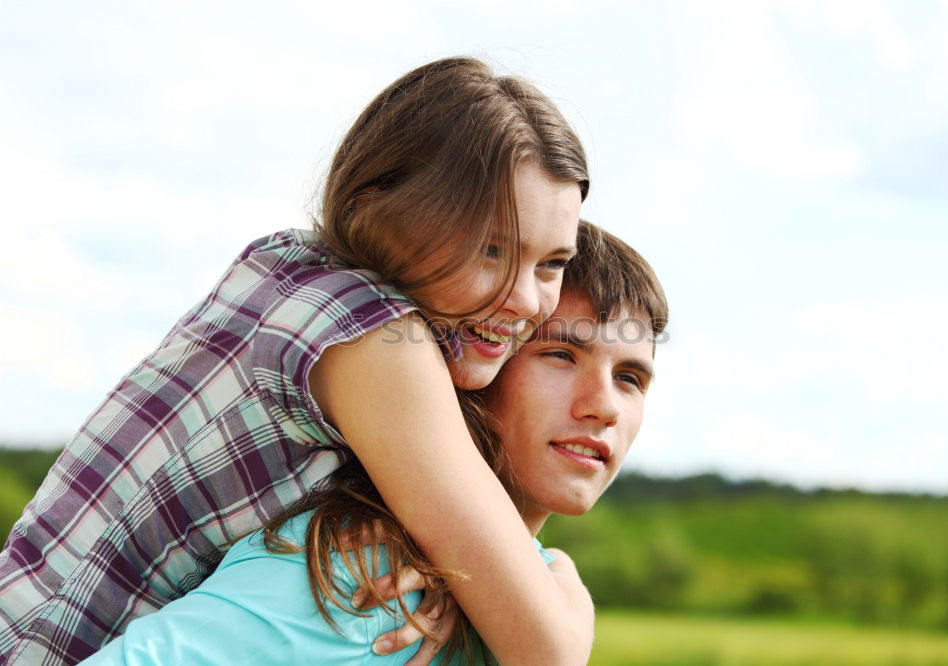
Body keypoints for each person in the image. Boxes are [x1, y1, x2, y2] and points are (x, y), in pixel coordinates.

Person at [0, 57, 591, 665]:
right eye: (489, 250)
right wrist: (560, 573)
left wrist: (447, 564)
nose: (524, 301)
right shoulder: (376, 340)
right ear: (376, 206)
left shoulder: (284, 264)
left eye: (550, 264)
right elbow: (549, 651)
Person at [79, 220, 669, 665]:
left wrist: (561, 580)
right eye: (560, 355)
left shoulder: (531, 591)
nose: (604, 406)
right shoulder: (365, 572)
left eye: (630, 378)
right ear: (468, 374)